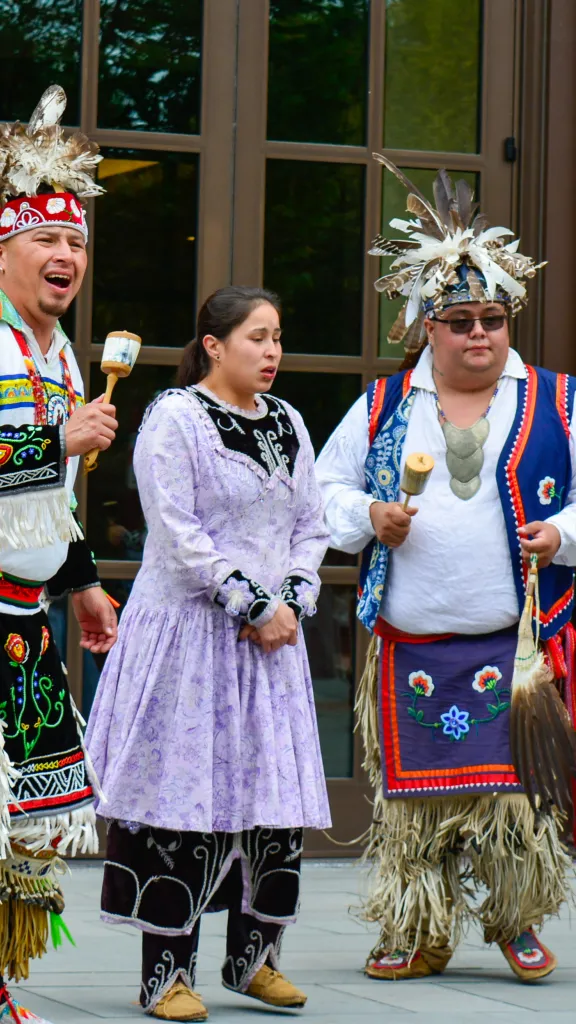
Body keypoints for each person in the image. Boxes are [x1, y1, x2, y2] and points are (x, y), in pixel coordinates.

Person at [315, 158, 576, 984]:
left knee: (514, 805)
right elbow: (322, 491)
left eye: (492, 318)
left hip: (516, 646)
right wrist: (370, 517)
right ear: (426, 325)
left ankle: (514, 921)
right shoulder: (384, 407)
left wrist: (560, 535)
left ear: (509, 321)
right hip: (411, 642)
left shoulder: (562, 403)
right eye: (459, 319)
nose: (478, 334)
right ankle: (416, 928)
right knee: (413, 808)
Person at [86, 286, 331, 1021]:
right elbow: (178, 529)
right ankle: (166, 973)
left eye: (279, 337)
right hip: (192, 639)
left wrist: (290, 600)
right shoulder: (175, 418)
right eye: (258, 337)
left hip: (269, 646)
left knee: (269, 804)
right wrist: (252, 603)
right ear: (215, 344)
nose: (273, 352)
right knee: (183, 802)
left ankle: (255, 960)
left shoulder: (287, 421)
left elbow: (312, 523)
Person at [0, 86, 119, 1022]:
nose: (66, 257)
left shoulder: (65, 357)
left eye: (76, 243)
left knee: (32, 814)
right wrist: (56, 444)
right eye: (46, 241)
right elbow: (43, 463)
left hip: (27, 620)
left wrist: (81, 586)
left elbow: (54, 501)